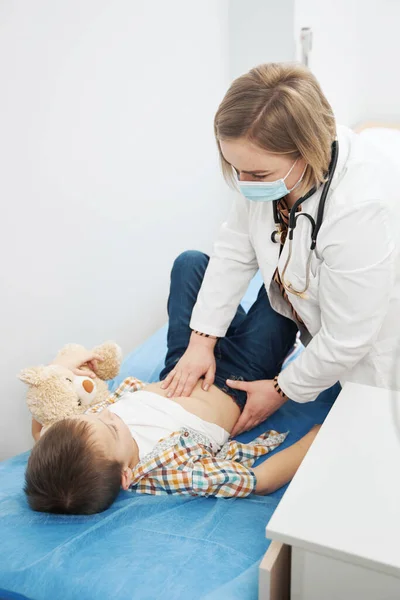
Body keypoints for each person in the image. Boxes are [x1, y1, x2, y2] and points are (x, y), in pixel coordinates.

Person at [162, 62, 400, 435]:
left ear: (307, 151)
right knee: (192, 265)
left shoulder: (361, 207)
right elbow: (234, 251)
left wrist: (281, 389)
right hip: (311, 325)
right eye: (234, 168)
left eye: (257, 175)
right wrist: (201, 340)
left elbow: (348, 337)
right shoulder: (265, 168)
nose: (244, 184)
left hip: (376, 357)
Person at [25, 256, 320, 514]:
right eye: (112, 428)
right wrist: (316, 440)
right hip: (238, 379)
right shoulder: (170, 472)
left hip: (182, 365)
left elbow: (43, 431)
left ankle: (226, 328)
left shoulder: (80, 441)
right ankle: (268, 341)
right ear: (126, 476)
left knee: (189, 263)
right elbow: (260, 481)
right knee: (287, 286)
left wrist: (60, 367)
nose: (108, 413)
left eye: (91, 415)